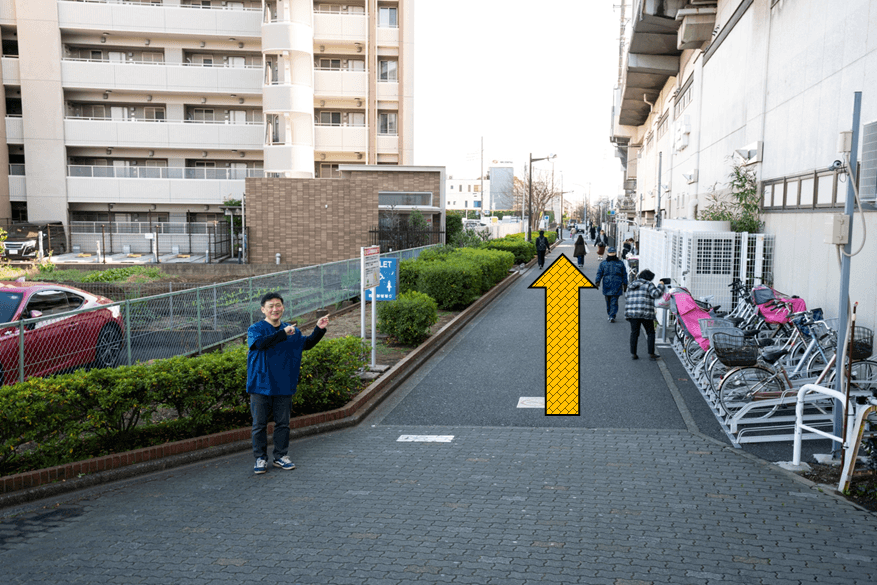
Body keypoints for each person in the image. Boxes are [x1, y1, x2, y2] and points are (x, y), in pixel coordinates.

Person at [247, 292, 329, 474]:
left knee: (283, 423)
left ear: (283, 308)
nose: (275, 309)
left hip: (284, 384)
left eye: (278, 305)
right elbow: (260, 344)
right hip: (261, 384)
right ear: (263, 310)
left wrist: (319, 329)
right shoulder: (256, 329)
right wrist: (282, 333)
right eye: (271, 306)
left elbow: (305, 344)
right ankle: (260, 458)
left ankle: (280, 456)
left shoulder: (291, 330)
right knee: (259, 424)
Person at [624, 269, 665, 360]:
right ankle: (651, 353)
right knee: (650, 332)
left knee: (634, 333)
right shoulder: (649, 284)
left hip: (632, 313)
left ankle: (633, 353)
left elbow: (627, 296)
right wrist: (661, 285)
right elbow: (656, 294)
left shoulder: (631, 285)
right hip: (645, 312)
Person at [594, 247, 627, 322]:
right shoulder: (606, 263)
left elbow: (624, 274)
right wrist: (597, 281)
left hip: (613, 284)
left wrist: (625, 284)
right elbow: (599, 273)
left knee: (613, 301)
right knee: (609, 301)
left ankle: (612, 315)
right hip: (611, 284)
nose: (612, 255)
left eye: (613, 253)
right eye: (611, 253)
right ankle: (611, 314)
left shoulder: (617, 263)